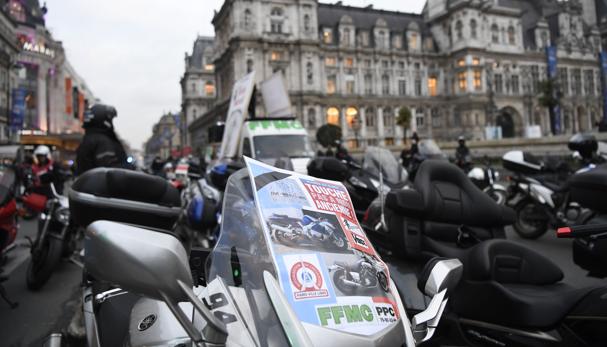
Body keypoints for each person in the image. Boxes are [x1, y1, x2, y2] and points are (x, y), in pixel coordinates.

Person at [75, 104, 129, 176]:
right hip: (104, 186)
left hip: (90, 185)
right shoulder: (102, 142)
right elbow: (110, 171)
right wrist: (129, 167)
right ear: (103, 119)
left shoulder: (88, 139)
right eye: (110, 119)